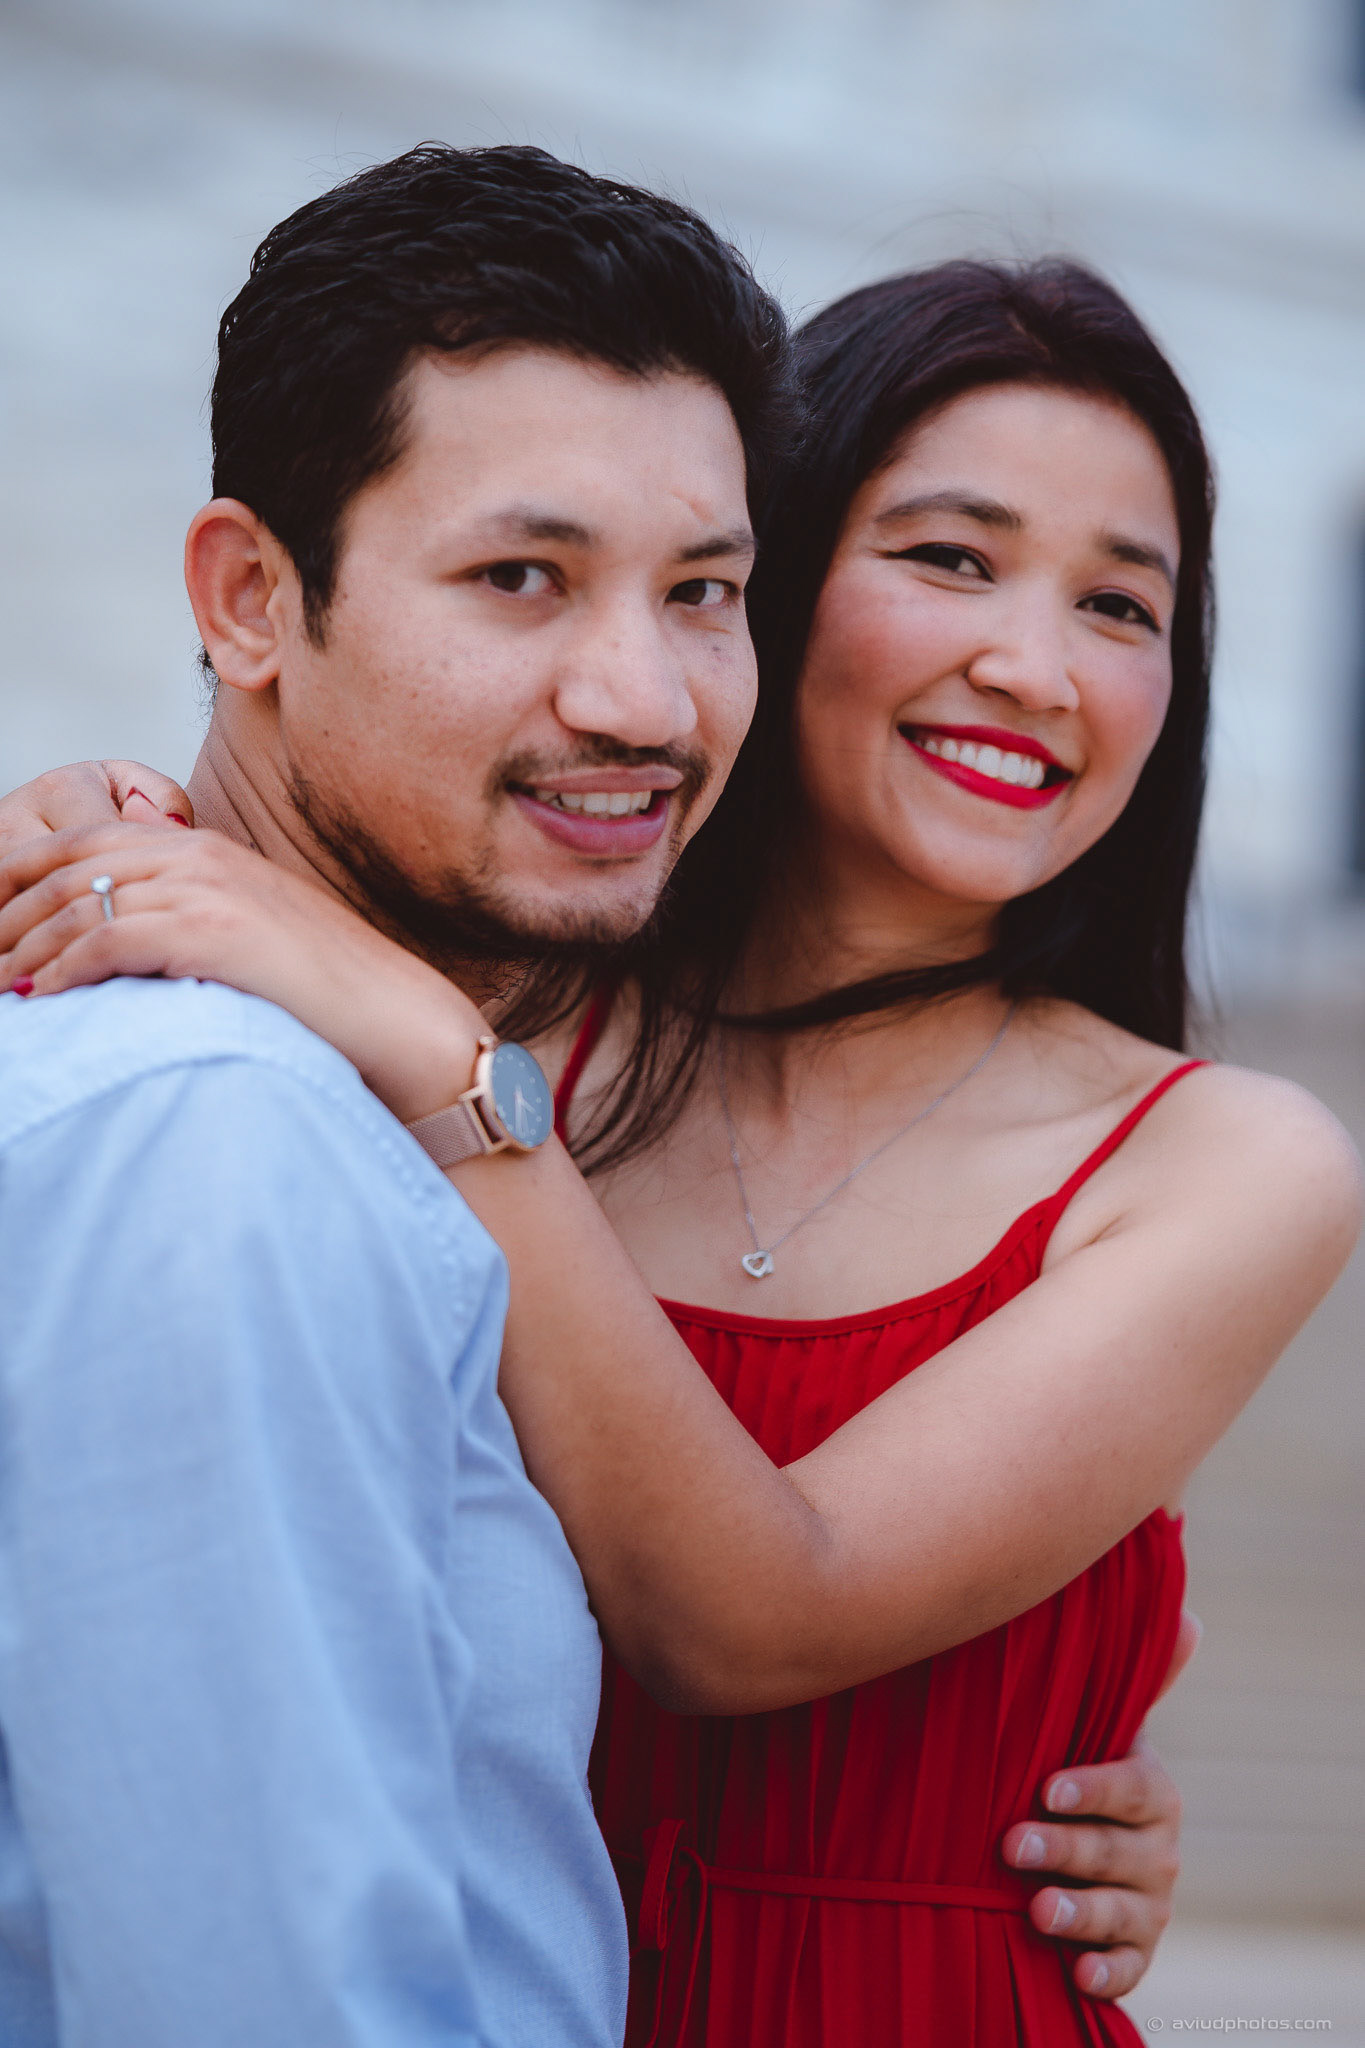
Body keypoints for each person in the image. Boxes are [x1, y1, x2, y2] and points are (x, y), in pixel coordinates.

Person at [4, 256, 1358, 2046]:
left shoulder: (1227, 1164)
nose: (1034, 668)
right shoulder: (497, 1002)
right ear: (756, 591)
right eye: (950, 559)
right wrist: (93, 822)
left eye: (1121, 605)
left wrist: (446, 1062)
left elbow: (753, 1617)